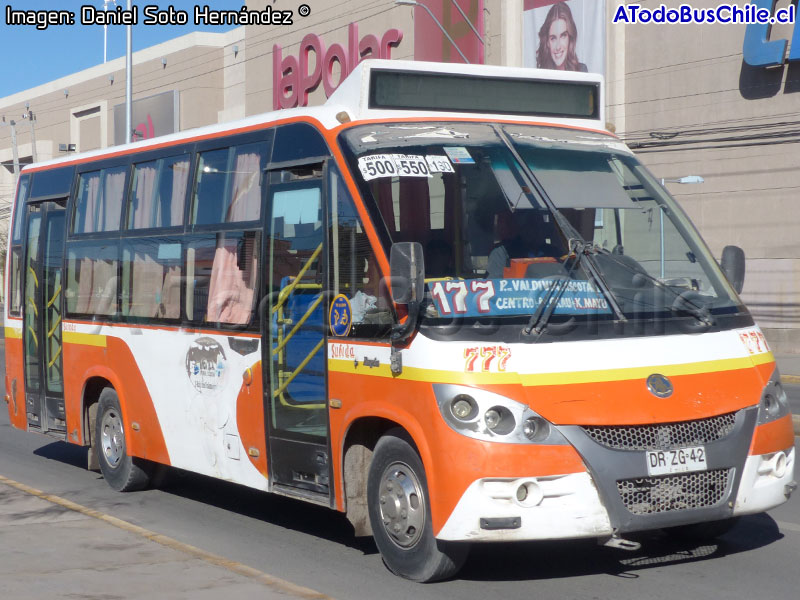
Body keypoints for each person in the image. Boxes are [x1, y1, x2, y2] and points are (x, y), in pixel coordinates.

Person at [536, 2, 588, 73]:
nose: (558, 47)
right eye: (553, 38)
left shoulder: (581, 70)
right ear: (547, 42)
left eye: (563, 36)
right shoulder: (540, 73)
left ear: (570, 38)